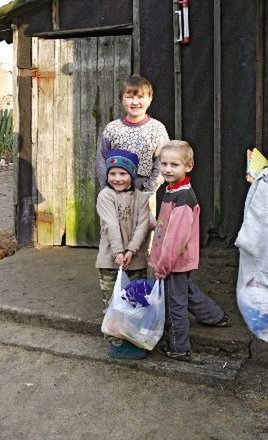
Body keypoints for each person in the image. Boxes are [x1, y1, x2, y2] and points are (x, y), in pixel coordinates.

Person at [150, 141, 230, 362]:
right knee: (186, 291)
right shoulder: (172, 190)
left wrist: (162, 267)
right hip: (173, 261)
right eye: (164, 163)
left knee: (176, 303)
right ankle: (215, 317)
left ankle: (179, 347)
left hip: (174, 262)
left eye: (174, 164)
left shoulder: (183, 198)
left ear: (189, 166)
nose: (167, 169)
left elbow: (175, 241)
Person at [96, 149, 152, 360]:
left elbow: (142, 226)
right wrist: (119, 252)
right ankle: (117, 343)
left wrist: (131, 251)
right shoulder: (105, 196)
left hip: (135, 260)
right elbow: (111, 224)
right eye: (113, 174)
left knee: (135, 302)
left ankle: (133, 338)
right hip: (110, 259)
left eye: (123, 173)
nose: (117, 178)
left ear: (132, 174)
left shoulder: (141, 198)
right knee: (112, 302)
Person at [96, 74, 170, 195]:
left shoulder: (157, 129)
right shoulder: (112, 128)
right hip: (115, 190)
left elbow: (162, 161)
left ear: (150, 98)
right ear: (122, 99)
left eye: (141, 97)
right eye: (129, 97)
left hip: (144, 190)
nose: (135, 102)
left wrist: (149, 187)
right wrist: (107, 188)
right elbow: (101, 159)